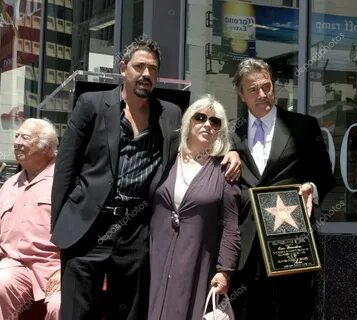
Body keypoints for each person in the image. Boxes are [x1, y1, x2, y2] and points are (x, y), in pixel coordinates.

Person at [51, 38, 240, 320]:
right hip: (88, 228)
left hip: (135, 232)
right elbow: (65, 168)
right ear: (123, 68)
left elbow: (206, 124)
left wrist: (234, 148)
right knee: (78, 312)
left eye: (152, 68)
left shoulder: (169, 113)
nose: (146, 74)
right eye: (139, 66)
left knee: (129, 312)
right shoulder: (91, 104)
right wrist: (61, 225)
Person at [229, 58, 335, 320]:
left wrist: (311, 188)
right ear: (241, 94)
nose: (263, 94)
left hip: (290, 241)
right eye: (253, 89)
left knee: (294, 312)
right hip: (246, 245)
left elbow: (325, 175)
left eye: (267, 86)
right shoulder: (229, 132)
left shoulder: (304, 126)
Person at [147, 94, 241, 320]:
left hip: (197, 262)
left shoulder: (225, 170)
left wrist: (224, 271)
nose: (207, 124)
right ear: (189, 121)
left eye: (215, 121)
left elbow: (231, 226)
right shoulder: (167, 156)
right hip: (155, 258)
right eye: (200, 117)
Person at [0, 118, 60, 320]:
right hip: (14, 264)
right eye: (16, 136)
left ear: (46, 147)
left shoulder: (66, 181)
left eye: (24, 137)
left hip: (55, 266)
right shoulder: (9, 185)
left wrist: (67, 269)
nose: (16, 141)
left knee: (59, 306)